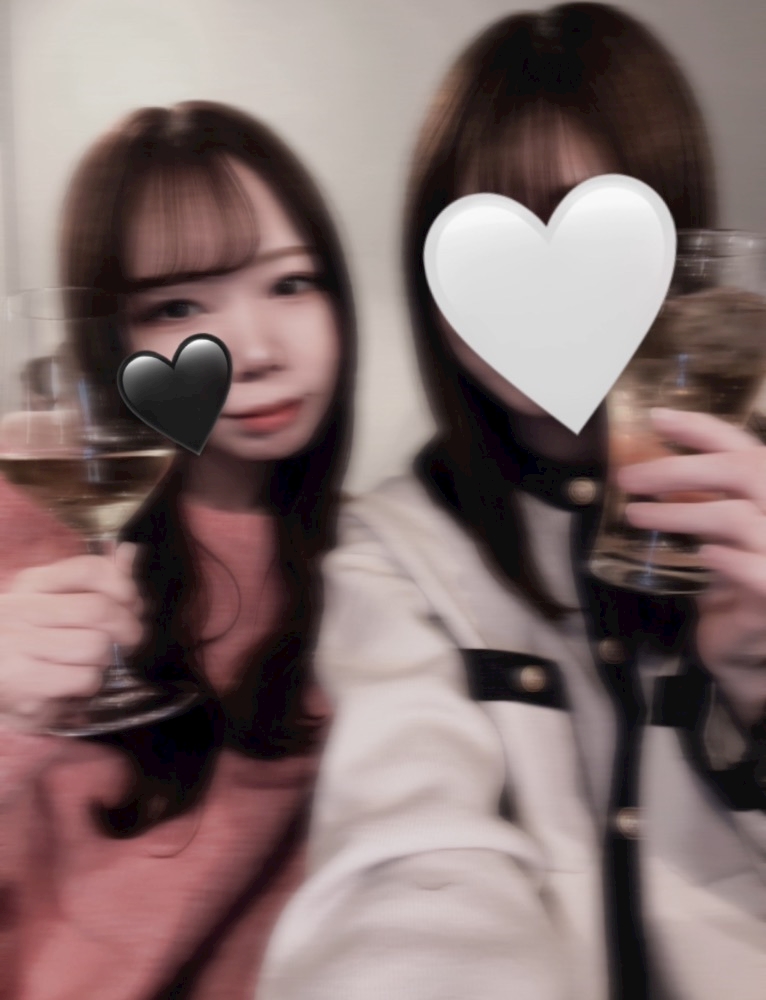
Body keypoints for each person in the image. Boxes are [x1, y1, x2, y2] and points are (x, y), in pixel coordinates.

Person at [256, 6, 766, 1000]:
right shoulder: (394, 548)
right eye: (488, 238)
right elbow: (408, 856)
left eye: (588, 227)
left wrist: (755, 677)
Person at [0, 100, 355, 998]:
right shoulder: (30, 518)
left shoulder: (376, 558)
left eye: (291, 284)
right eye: (177, 306)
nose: (255, 351)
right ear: (110, 339)